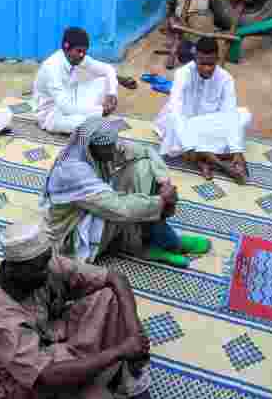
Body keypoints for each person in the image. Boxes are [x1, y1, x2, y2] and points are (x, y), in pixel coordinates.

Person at [0, 221, 188, 399]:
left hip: (56, 332)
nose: (48, 271)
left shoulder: (43, 264)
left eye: (47, 262)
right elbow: (48, 374)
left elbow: (115, 278)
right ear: (15, 270)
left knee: (109, 296)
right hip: (21, 380)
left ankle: (137, 396)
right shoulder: (3, 322)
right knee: (67, 373)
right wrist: (119, 351)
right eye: (40, 269)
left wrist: (134, 335)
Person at [42, 117, 211, 268]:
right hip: (73, 233)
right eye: (107, 148)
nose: (113, 150)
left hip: (98, 204)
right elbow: (118, 207)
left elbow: (146, 152)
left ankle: (152, 237)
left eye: (112, 145)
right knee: (125, 207)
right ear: (90, 147)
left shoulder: (102, 148)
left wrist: (163, 182)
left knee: (144, 166)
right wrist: (161, 201)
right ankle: (154, 243)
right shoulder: (72, 171)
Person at [154, 37, 252, 184]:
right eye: (202, 63)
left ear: (217, 59)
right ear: (195, 59)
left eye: (211, 64)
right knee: (174, 123)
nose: (207, 68)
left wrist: (237, 150)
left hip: (206, 124)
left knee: (244, 116)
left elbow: (229, 115)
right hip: (184, 123)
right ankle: (218, 162)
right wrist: (189, 146)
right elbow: (176, 111)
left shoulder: (226, 79)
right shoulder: (182, 74)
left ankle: (203, 158)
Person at [33, 26, 119, 133]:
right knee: (86, 123)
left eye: (84, 52)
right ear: (66, 47)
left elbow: (108, 69)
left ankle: (94, 114)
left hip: (73, 99)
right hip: (52, 115)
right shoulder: (52, 68)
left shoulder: (76, 58)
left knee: (104, 81)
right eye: (79, 51)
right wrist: (100, 110)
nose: (82, 55)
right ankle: (93, 117)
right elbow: (66, 107)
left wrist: (112, 94)